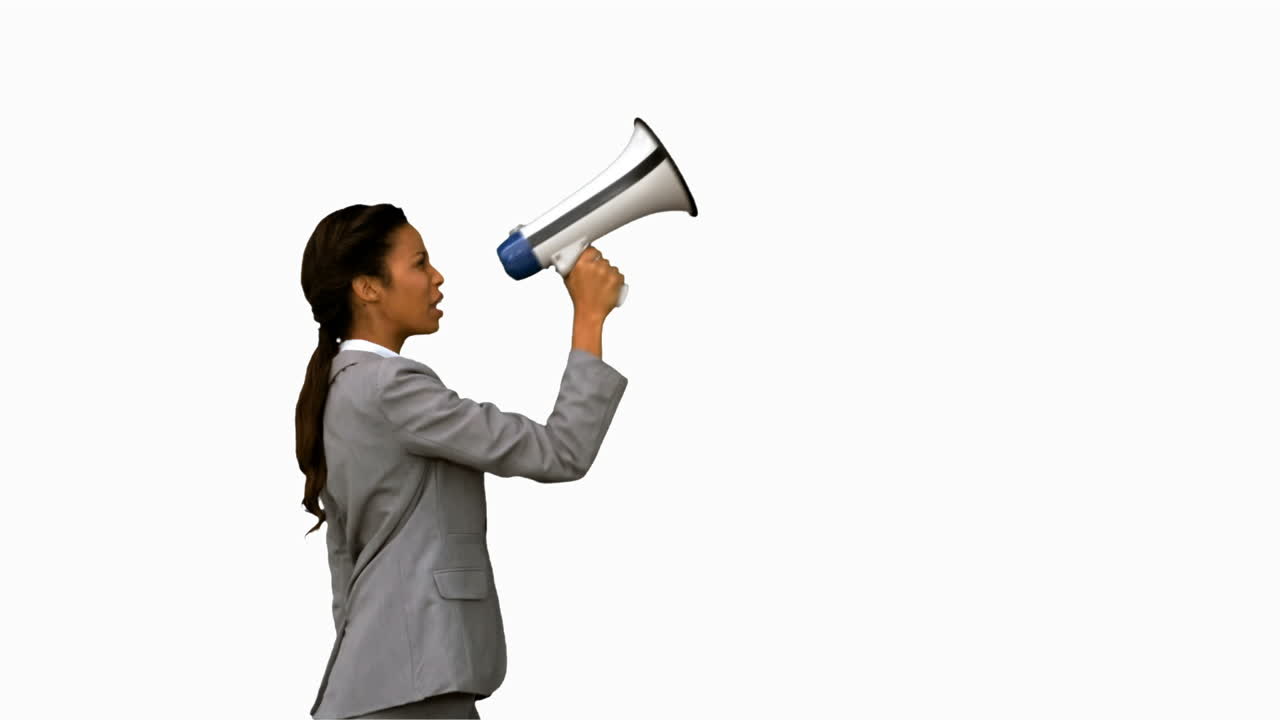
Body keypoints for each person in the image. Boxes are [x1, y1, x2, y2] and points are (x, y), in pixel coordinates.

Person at [296, 203, 629, 719]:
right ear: (368, 287)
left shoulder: (341, 386)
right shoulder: (390, 388)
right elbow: (562, 451)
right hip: (415, 685)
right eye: (420, 263)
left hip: (387, 681)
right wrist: (589, 317)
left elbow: (347, 559)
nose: (437, 277)